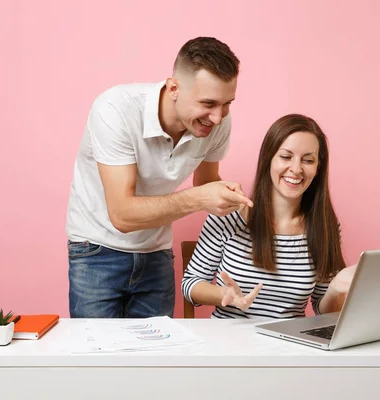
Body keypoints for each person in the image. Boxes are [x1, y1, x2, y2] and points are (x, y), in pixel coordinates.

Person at [66, 37, 253, 318]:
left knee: (158, 358)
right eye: (208, 103)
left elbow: (206, 183)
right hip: (96, 251)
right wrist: (200, 198)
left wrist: (229, 198)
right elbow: (122, 215)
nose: (217, 117)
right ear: (174, 88)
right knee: (100, 358)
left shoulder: (217, 123)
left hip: (157, 253)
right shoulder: (116, 110)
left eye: (227, 103)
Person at [181, 114, 356, 318]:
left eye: (308, 160)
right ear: (268, 159)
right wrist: (224, 293)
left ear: (318, 168)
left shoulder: (325, 226)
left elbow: (323, 310)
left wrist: (337, 287)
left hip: (289, 345)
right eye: (286, 156)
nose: (296, 169)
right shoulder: (228, 214)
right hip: (229, 343)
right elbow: (191, 282)